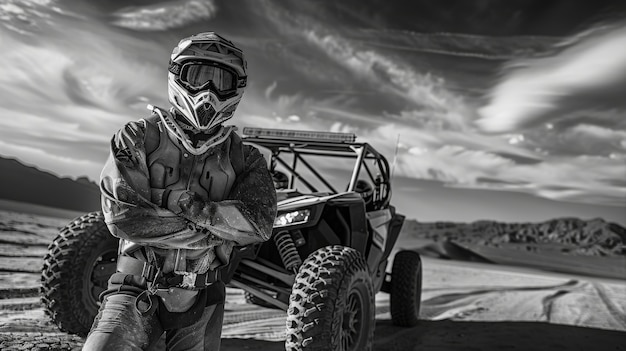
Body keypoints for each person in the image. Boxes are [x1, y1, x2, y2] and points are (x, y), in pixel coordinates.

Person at [82, 32, 277, 350]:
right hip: (135, 288)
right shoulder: (138, 137)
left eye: (220, 81)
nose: (208, 91)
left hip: (203, 296)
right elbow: (124, 218)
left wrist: (181, 204)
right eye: (198, 76)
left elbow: (259, 224)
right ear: (177, 75)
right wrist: (217, 231)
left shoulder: (245, 157)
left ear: (236, 88)